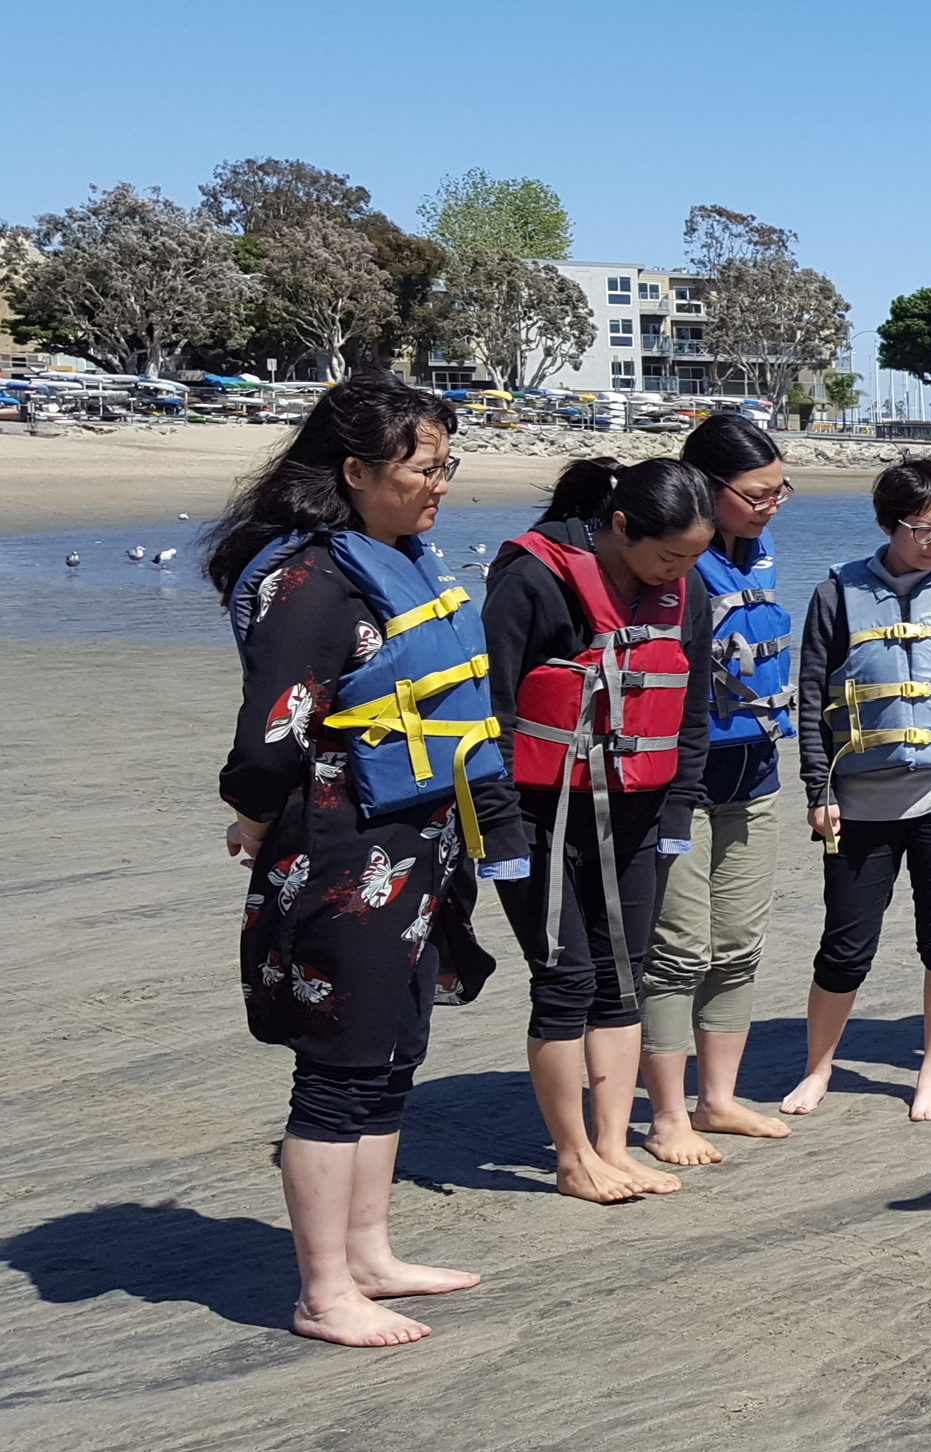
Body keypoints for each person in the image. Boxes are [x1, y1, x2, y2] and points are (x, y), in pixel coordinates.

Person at [206, 372, 527, 1344]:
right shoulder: (315, 582)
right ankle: (321, 1291)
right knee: (338, 1069)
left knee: (392, 1058)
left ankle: (371, 1254)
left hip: (419, 846)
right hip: (343, 854)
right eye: (423, 468)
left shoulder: (403, 560)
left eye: (446, 466)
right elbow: (271, 738)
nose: (441, 486)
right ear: (354, 470)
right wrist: (254, 819)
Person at [483, 459, 717, 1203]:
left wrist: (678, 810)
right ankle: (572, 1154)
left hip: (640, 815)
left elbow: (693, 712)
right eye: (667, 556)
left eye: (691, 558)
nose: (678, 572)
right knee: (565, 982)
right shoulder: (531, 580)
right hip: (540, 815)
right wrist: (498, 835)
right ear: (620, 526)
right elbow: (488, 711)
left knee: (624, 982)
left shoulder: (687, 591)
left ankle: (613, 1147)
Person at [783, 459, 931, 1123]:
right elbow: (809, 699)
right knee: (845, 944)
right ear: (888, 523)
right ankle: (817, 1068)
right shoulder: (837, 593)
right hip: (858, 803)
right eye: (920, 529)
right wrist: (816, 790)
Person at [636, 414, 800, 1165]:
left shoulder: (756, 553)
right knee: (678, 949)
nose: (771, 505)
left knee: (738, 943)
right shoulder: (672, 564)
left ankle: (719, 1098)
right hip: (681, 781)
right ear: (707, 487)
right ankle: (666, 1115)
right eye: (758, 493)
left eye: (779, 491)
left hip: (756, 773)